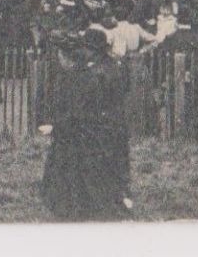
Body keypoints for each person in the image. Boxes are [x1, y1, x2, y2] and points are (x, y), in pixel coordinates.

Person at [38, 28, 131, 220]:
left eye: (86, 48)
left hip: (94, 130)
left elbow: (81, 111)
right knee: (111, 170)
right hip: (114, 127)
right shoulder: (113, 67)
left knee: (86, 169)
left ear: (91, 50)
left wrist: (57, 127)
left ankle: (85, 207)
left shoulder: (92, 74)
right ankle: (114, 201)